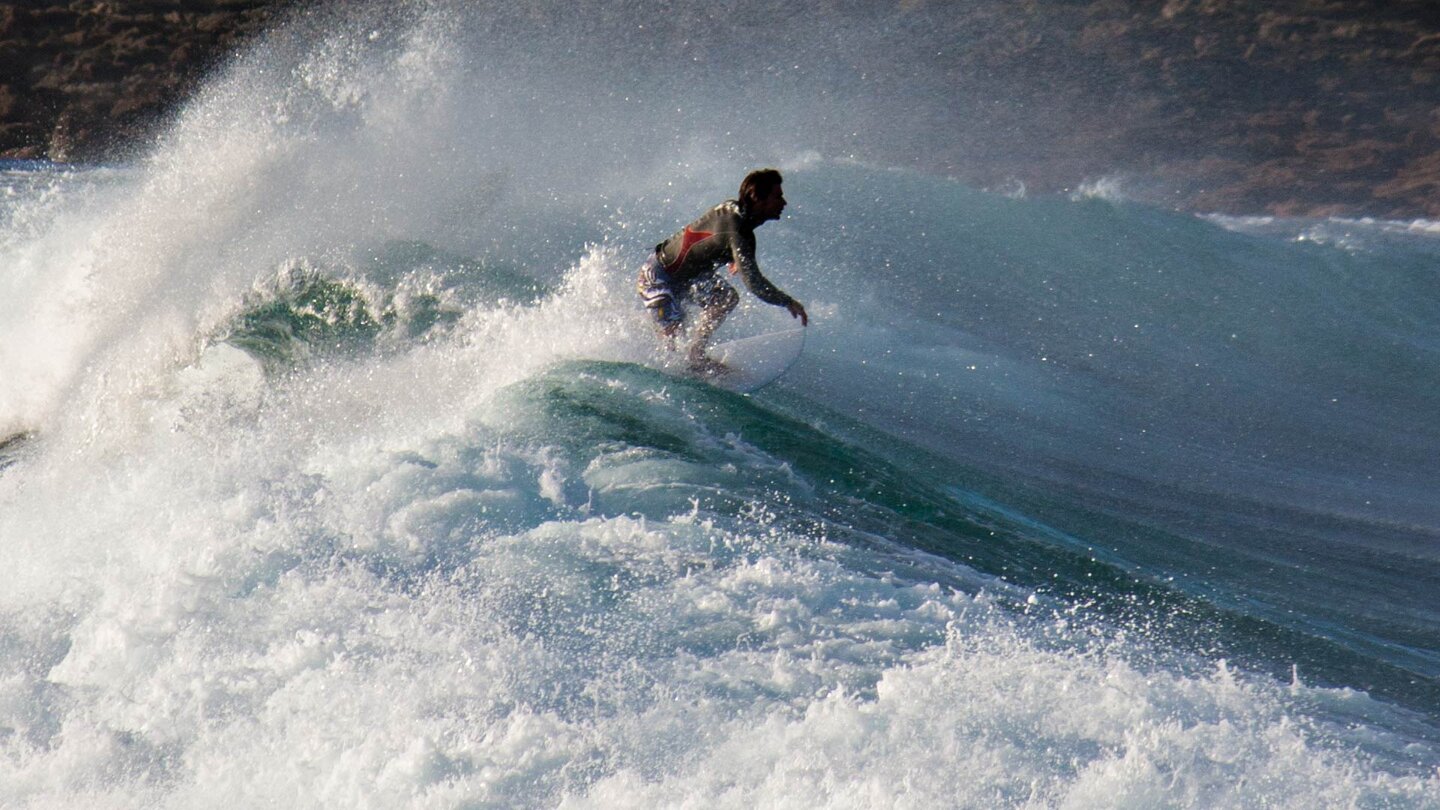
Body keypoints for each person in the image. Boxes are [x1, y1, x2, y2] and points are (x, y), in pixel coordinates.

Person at [636, 168, 808, 374]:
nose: (783, 203)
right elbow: (754, 283)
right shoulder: (738, 231)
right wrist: (787, 301)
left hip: (690, 278)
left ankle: (695, 354)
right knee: (673, 340)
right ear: (756, 197)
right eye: (777, 196)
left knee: (725, 298)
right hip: (658, 276)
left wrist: (730, 256)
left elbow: (718, 237)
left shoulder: (736, 216)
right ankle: (673, 370)